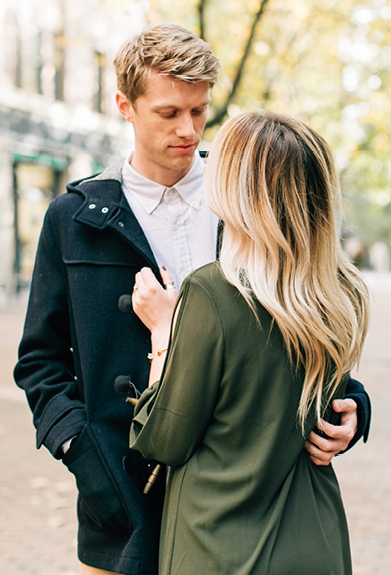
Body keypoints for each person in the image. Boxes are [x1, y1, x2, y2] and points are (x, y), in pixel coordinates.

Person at [14, 23, 370, 575]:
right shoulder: (74, 219)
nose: (188, 129)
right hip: (120, 497)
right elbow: (39, 360)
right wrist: (82, 456)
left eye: (200, 112)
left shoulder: (251, 198)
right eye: (168, 112)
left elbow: (306, 311)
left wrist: (350, 404)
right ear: (124, 106)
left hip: (240, 504)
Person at [128, 109, 369, 575]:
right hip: (315, 535)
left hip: (221, 545)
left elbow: (163, 440)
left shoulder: (212, 293)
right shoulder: (342, 294)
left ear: (238, 188)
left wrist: (162, 332)